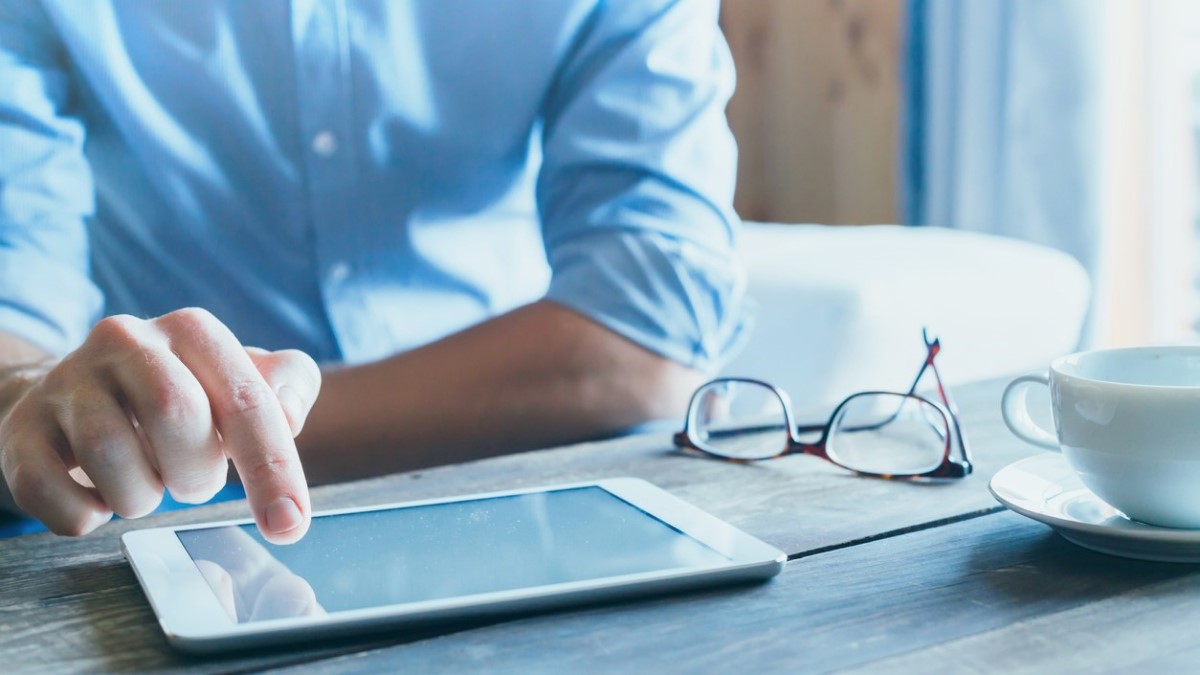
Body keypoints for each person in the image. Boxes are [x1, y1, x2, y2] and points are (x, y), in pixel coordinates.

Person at [0, 0, 747, 543]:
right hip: (149, 519)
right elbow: (15, 290)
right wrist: (31, 399)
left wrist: (222, 427)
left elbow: (645, 338)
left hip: (523, 495)